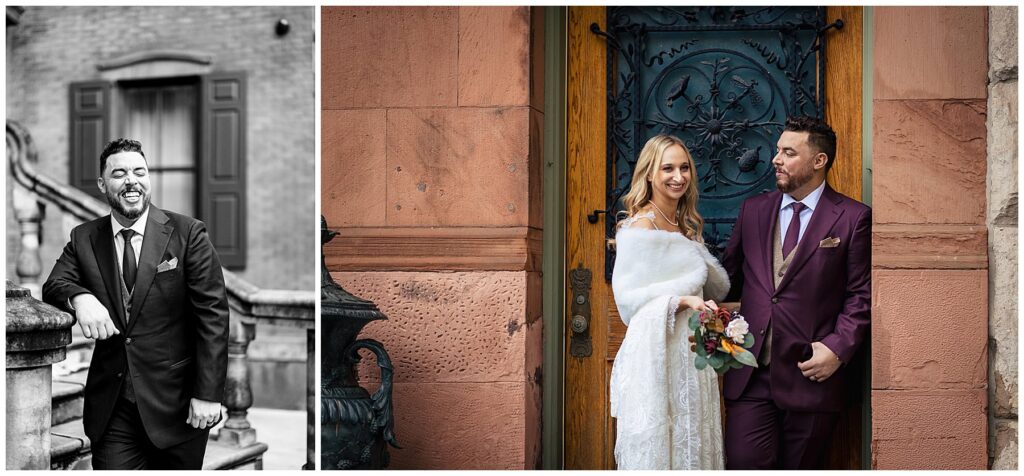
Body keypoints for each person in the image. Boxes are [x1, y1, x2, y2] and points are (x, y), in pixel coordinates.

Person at [42, 139, 229, 470]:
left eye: (139, 171)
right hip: (114, 409)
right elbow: (54, 284)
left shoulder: (188, 234)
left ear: (149, 178)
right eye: (119, 173)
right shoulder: (84, 237)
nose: (131, 180)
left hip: (178, 407)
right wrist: (81, 298)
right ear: (103, 184)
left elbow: (212, 318)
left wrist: (209, 394)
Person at [721, 116, 871, 469]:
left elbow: (860, 294)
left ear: (819, 161)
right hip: (750, 373)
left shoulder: (852, 217)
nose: (776, 159)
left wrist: (837, 348)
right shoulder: (753, 210)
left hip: (811, 374)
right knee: (745, 463)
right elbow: (728, 279)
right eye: (778, 150)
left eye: (789, 153)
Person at [609, 134, 730, 469]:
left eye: (684, 167)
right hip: (658, 356)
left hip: (689, 353)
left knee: (692, 440)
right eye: (668, 168)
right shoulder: (641, 228)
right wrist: (683, 300)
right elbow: (629, 303)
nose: (678, 176)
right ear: (649, 173)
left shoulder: (686, 226)